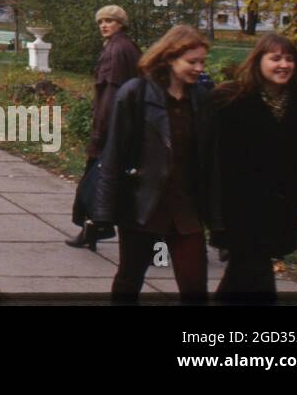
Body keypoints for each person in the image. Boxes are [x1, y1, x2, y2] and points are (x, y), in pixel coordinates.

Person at [91, 24, 214, 304]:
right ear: (170, 58)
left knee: (195, 285)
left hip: (186, 209)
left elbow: (210, 159)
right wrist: (103, 210)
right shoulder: (136, 94)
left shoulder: (202, 100)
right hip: (142, 204)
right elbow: (113, 155)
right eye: (192, 62)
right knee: (130, 279)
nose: (199, 68)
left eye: (202, 62)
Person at [210, 34, 297, 303]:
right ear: (258, 61)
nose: (284, 65)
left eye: (289, 59)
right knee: (253, 268)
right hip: (239, 203)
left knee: (245, 271)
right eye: (275, 58)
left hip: (281, 203)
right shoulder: (231, 98)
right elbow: (213, 151)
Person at [67, 5, 142, 249]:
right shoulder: (122, 46)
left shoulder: (117, 50)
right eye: (101, 21)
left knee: (98, 182)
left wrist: (100, 134)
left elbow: (111, 96)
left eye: (110, 21)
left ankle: (96, 229)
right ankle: (93, 230)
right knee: (105, 182)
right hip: (123, 127)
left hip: (112, 129)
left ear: (121, 24)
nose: (104, 25)